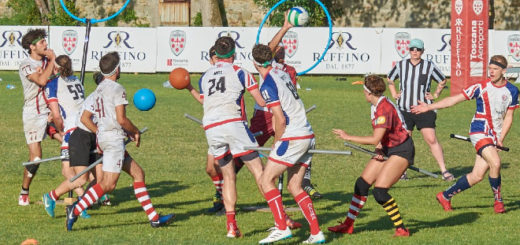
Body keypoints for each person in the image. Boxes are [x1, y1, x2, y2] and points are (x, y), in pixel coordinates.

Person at [66, 52, 174, 230]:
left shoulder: (97, 90)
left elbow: (85, 117)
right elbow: (121, 119)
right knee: (108, 184)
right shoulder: (117, 89)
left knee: (138, 174)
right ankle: (75, 210)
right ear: (117, 69)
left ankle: (154, 218)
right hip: (113, 140)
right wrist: (135, 131)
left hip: (106, 139)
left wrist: (102, 132)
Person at [411, 55, 518, 213]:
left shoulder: (513, 91)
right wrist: (429, 107)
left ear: (503, 71)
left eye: (495, 69)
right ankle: (498, 202)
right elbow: (454, 100)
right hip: (479, 130)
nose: (491, 72)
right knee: (495, 163)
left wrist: (501, 138)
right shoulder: (480, 87)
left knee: (477, 175)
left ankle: (445, 196)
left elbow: (509, 116)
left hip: (494, 135)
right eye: (490, 68)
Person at [252, 44, 324, 244]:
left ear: (254, 64)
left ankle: (281, 227)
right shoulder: (281, 73)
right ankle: (316, 232)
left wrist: (277, 144)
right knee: (295, 186)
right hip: (308, 135)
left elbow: (280, 120)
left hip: (293, 137)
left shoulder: (266, 85)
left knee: (266, 180)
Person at [198, 36, 268, 238]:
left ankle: (231, 226)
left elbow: (204, 101)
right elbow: (261, 102)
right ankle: (281, 219)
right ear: (234, 54)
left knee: (228, 175)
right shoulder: (240, 72)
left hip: (211, 128)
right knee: (258, 170)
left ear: (215, 54)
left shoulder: (205, 76)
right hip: (233, 123)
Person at [329, 75, 413, 237]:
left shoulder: (384, 109)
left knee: (380, 192)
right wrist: (379, 148)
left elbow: (375, 137)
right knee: (361, 185)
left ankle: (402, 229)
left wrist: (348, 137)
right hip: (389, 148)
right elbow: (381, 137)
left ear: (368, 93)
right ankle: (348, 225)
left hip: (402, 150)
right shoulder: (376, 105)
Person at [249, 15, 321, 199]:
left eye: (281, 51)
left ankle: (304, 183)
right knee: (247, 151)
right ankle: (222, 190)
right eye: (275, 51)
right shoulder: (269, 66)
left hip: (284, 117)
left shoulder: (288, 71)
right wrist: (285, 27)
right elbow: (268, 49)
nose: (278, 53)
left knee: (298, 150)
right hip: (263, 116)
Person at [387, 38, 453, 181]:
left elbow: (442, 80)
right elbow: (390, 79)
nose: (415, 52)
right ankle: (402, 171)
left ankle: (444, 170)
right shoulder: (401, 65)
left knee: (431, 138)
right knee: (405, 140)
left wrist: (435, 94)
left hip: (424, 109)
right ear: (409, 50)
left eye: (418, 49)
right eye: (412, 49)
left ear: (422, 51)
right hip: (404, 109)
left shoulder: (429, 66)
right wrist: (394, 94)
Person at [42, 70, 105, 218]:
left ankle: (80, 203)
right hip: (73, 134)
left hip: (89, 135)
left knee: (100, 179)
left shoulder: (77, 85)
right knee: (74, 175)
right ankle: (54, 197)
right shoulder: (56, 85)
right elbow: (57, 113)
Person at [18, 28, 56, 206]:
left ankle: (95, 190)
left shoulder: (48, 61)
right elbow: (41, 81)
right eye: (42, 42)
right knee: (36, 158)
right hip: (33, 114)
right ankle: (24, 191)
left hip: (52, 111)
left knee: (75, 143)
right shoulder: (26, 65)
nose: (46, 45)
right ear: (32, 47)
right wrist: (53, 61)